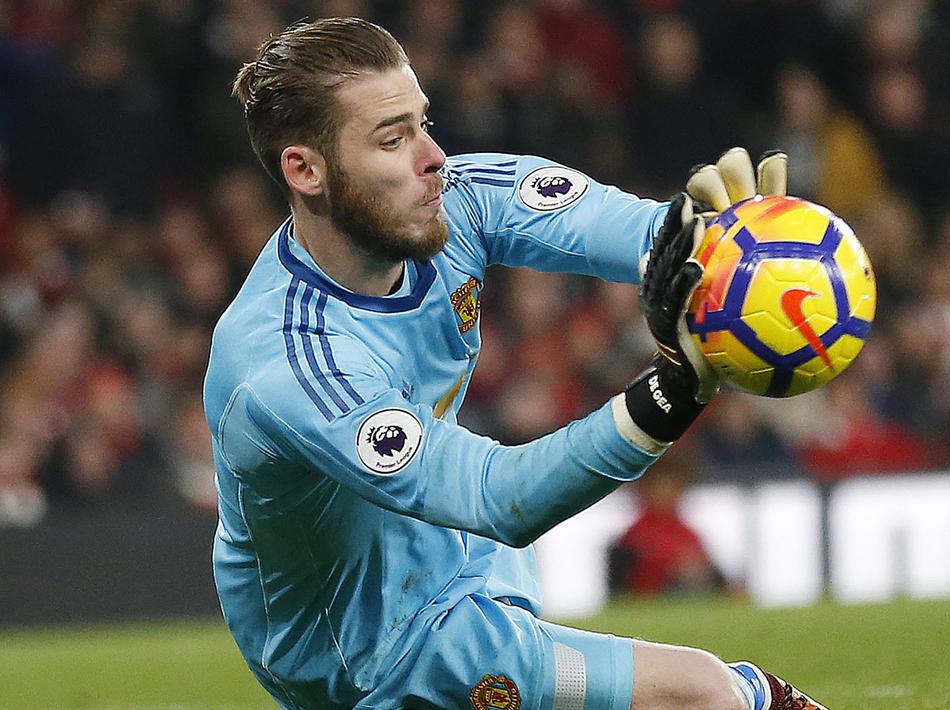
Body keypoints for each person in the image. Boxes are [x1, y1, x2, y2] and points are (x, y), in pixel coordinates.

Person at [205, 17, 826, 710]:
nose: (433, 155)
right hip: (369, 646)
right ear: (305, 169)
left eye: (422, 122)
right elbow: (498, 498)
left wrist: (723, 246)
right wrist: (669, 393)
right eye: (392, 138)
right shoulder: (288, 362)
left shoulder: (453, 202)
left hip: (459, 553)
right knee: (703, 694)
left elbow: (617, 227)